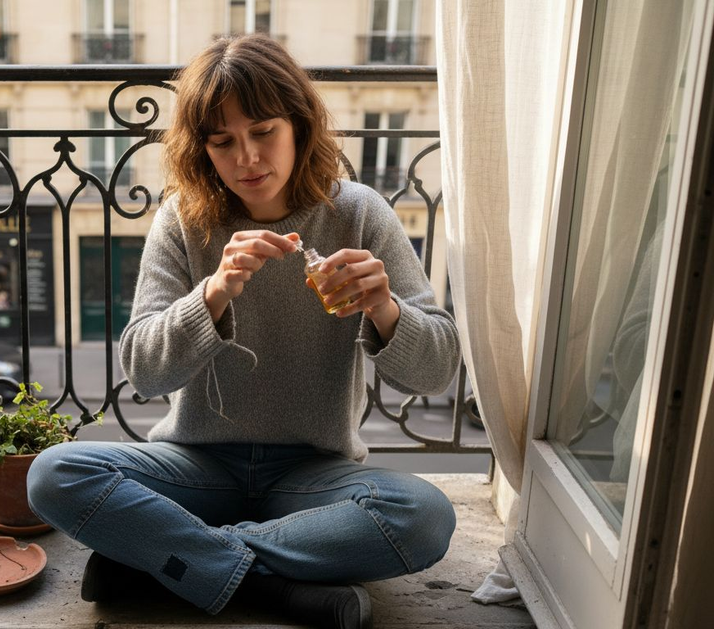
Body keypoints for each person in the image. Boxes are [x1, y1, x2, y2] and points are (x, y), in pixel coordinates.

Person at [27, 34, 460, 629]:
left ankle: (168, 559)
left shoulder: (360, 214)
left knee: (424, 514)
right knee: (54, 474)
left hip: (311, 477)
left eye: (263, 132)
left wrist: (384, 307)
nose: (247, 158)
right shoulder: (183, 219)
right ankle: (276, 586)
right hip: (196, 467)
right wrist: (213, 293)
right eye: (222, 141)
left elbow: (436, 373)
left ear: (299, 127)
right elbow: (145, 373)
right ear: (202, 151)